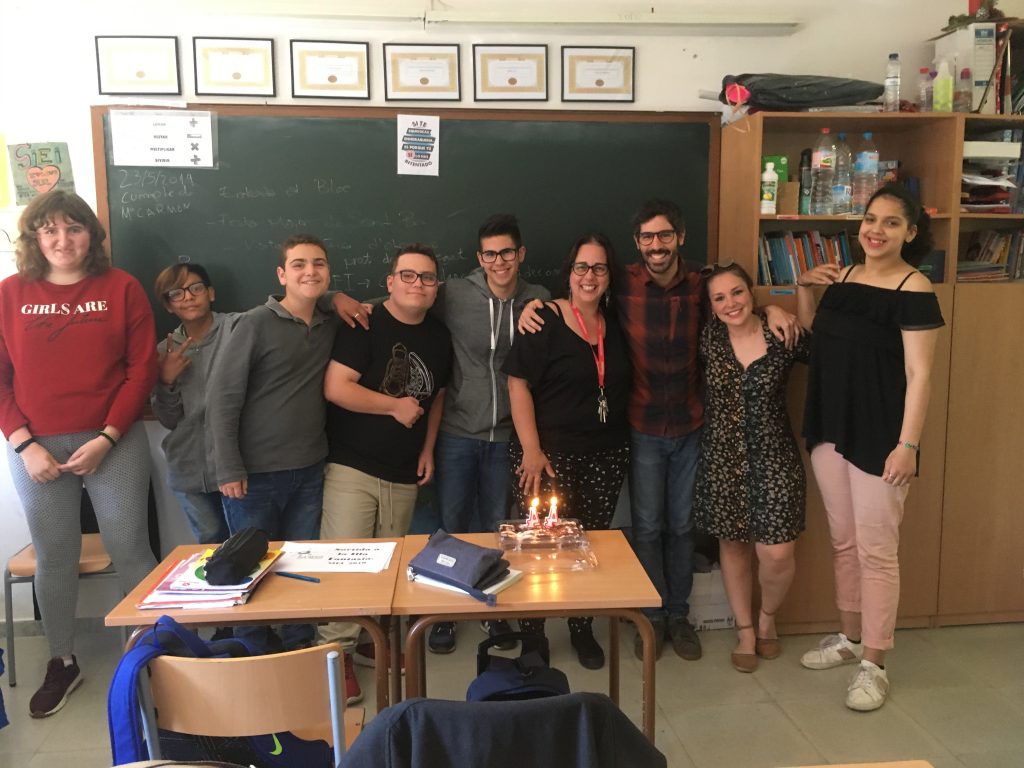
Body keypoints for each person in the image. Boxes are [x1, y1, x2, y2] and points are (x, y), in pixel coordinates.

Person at [519, 199, 798, 662]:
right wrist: (538, 303)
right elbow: (581, 291)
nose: (656, 245)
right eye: (647, 237)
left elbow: (735, 302)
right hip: (643, 426)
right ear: (637, 243)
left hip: (692, 425)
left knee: (683, 527)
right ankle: (650, 616)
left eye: (665, 235)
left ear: (679, 238)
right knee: (646, 527)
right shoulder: (622, 282)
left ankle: (678, 615)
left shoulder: (701, 283)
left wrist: (770, 307)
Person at [0, 190, 158, 717]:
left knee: (130, 545)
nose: (62, 240)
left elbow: (141, 370)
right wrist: (25, 444)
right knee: (55, 553)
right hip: (35, 448)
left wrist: (107, 437)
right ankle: (62, 659)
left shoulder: (122, 288)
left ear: (91, 234)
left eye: (74, 228)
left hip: (113, 440)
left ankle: (149, 653)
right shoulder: (10, 293)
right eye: (50, 230)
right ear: (34, 238)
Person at [796, 183, 943, 711]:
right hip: (831, 427)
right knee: (844, 542)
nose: (876, 230)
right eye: (870, 219)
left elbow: (920, 375)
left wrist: (908, 445)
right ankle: (850, 639)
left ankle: (874, 664)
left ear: (911, 233)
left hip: (881, 436)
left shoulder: (914, 288)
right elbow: (816, 339)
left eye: (891, 222)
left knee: (877, 552)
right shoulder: (844, 277)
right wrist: (804, 287)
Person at [318, 244, 452, 694]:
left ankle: (370, 640)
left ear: (436, 287)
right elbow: (337, 388)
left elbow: (437, 397)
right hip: (352, 465)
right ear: (390, 281)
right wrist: (394, 406)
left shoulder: (439, 336)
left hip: (403, 470)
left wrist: (428, 448)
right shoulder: (365, 323)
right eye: (408, 275)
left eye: (427, 277)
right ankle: (335, 655)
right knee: (345, 565)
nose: (418, 284)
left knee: (388, 567)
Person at [503, 233, 631, 670]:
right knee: (539, 547)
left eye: (599, 268)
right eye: (581, 267)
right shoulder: (544, 317)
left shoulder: (617, 322)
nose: (589, 276)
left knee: (587, 546)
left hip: (605, 455)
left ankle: (581, 626)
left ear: (609, 276)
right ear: (569, 272)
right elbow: (517, 383)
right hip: (547, 457)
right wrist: (531, 450)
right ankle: (533, 634)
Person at [206, 234, 338, 655]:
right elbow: (223, 399)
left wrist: (338, 299)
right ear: (282, 274)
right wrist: (228, 467)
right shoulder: (253, 323)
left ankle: (300, 649)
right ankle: (253, 653)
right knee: (249, 566)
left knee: (301, 565)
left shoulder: (329, 323)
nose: (309, 271)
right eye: (298, 264)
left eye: (318, 263)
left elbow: (336, 302)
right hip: (254, 475)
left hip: (309, 469)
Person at [428, 214, 550, 654]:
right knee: (452, 525)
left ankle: (490, 606)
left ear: (521, 254)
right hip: (458, 431)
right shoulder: (455, 294)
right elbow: (399, 301)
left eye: (507, 252)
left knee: (497, 526)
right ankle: (446, 611)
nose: (499, 262)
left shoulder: (539, 298)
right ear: (480, 259)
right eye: (490, 254)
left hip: (506, 437)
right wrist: (338, 300)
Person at [694, 263, 810, 673]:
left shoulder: (780, 333)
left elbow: (815, 349)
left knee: (777, 552)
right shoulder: (708, 338)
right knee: (733, 546)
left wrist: (793, 300)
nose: (730, 303)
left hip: (775, 456)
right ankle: (745, 630)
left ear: (751, 293)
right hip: (722, 459)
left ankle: (767, 619)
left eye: (737, 292)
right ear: (711, 306)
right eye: (719, 297)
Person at [151, 263, 232, 545]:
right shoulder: (164, 351)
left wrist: (333, 298)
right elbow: (168, 419)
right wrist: (166, 381)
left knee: (248, 542)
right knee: (210, 544)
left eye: (195, 288)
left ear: (210, 293)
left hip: (235, 465)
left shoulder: (238, 330)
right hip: (188, 468)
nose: (188, 297)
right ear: (168, 305)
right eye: (177, 293)